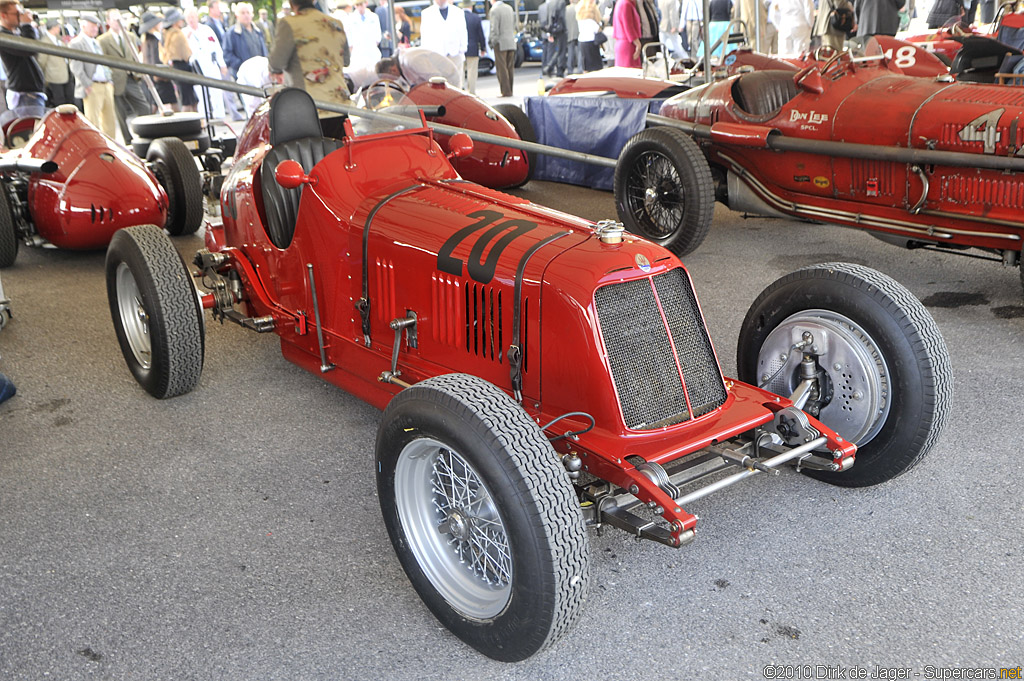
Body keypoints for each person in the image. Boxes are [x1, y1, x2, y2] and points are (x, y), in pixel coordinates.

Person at [269, 0, 351, 106]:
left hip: (309, 106)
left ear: (290, 2)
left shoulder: (289, 24)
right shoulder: (336, 24)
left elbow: (276, 63)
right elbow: (346, 61)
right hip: (339, 103)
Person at [98, 9, 152, 143]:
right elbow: (102, 61)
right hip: (115, 81)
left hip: (131, 77)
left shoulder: (130, 36)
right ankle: (128, 140)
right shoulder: (103, 40)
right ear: (108, 22)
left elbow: (134, 56)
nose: (118, 22)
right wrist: (108, 78)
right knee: (120, 113)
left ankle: (146, 134)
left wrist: (139, 73)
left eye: (119, 19)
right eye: (114, 19)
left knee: (144, 107)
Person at [68, 14, 117, 137]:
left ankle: (112, 148)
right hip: (92, 85)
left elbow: (103, 64)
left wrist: (109, 80)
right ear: (83, 26)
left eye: (96, 26)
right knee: (93, 121)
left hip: (105, 84)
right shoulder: (76, 43)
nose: (95, 29)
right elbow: (76, 67)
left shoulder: (96, 42)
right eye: (92, 26)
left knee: (110, 120)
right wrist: (87, 84)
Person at [0, 0, 45, 116]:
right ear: (3, 15)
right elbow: (30, 48)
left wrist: (27, 27)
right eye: (16, 14)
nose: (20, 17)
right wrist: (26, 25)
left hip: (29, 94)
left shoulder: (16, 34)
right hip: (25, 97)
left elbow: (35, 45)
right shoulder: (3, 37)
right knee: (30, 132)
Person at [184, 6, 227, 120]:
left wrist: (222, 64)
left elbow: (216, 47)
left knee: (217, 90)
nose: (191, 19)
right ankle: (205, 115)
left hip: (211, 64)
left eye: (193, 16)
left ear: (197, 17)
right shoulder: (184, 33)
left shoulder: (207, 29)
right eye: (188, 17)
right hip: (197, 67)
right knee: (201, 92)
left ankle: (219, 115)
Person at [419, 0, 467, 88]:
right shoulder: (427, 13)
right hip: (437, 55)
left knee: (457, 84)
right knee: (439, 84)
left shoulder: (458, 12)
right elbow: (425, 35)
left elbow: (463, 32)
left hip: (455, 54)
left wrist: (462, 49)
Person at [161, 9, 196, 112]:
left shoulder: (166, 34)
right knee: (188, 101)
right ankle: (188, 124)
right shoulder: (178, 34)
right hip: (183, 67)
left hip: (174, 67)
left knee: (188, 99)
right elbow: (186, 54)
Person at [373, 47, 461, 87]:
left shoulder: (412, 60)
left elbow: (435, 78)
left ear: (393, 70)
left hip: (448, 78)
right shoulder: (400, 67)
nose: (392, 81)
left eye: (390, 79)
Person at [224, 2, 268, 78]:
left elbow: (264, 51)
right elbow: (227, 55)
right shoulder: (232, 33)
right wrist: (242, 65)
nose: (246, 15)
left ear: (252, 15)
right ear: (237, 15)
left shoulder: (258, 31)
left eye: (248, 12)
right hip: (242, 76)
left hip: (260, 74)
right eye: (243, 13)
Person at [36, 18, 73, 107]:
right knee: (59, 101)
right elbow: (41, 62)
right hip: (53, 77)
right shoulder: (45, 42)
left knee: (69, 99)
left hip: (66, 74)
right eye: (58, 26)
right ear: (53, 28)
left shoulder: (58, 39)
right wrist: (43, 78)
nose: (59, 28)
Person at [489, 0, 515, 96]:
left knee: (501, 68)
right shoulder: (509, 8)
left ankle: (505, 91)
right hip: (511, 41)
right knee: (510, 67)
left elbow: (494, 28)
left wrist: (492, 41)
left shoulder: (494, 10)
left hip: (500, 42)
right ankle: (510, 89)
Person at [347, 0, 382, 70]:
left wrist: (373, 45)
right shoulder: (350, 18)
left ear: (366, 3)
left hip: (372, 52)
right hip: (358, 53)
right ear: (355, 6)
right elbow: (349, 37)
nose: (360, 8)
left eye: (361, 5)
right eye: (357, 5)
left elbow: (378, 35)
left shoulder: (373, 17)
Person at [463, 0, 486, 93]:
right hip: (473, 48)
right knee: (472, 72)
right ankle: (471, 92)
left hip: (460, 49)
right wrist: (483, 48)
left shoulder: (457, 17)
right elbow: (481, 35)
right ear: (471, 7)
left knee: (460, 72)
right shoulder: (476, 18)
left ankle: (460, 89)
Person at [540, 0, 567, 77]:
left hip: (553, 30)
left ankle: (550, 66)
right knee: (562, 50)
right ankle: (556, 68)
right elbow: (562, 17)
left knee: (556, 50)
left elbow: (548, 18)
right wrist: (565, 28)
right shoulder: (561, 2)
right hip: (561, 30)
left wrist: (549, 31)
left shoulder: (550, 3)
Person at [576, 0, 604, 71]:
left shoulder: (580, 20)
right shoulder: (591, 21)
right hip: (591, 41)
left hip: (582, 41)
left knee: (585, 64)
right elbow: (597, 29)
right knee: (596, 65)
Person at [612, 0, 642, 66]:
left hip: (624, 43)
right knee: (631, 73)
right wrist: (638, 44)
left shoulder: (621, 2)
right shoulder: (626, 4)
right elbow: (628, 26)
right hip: (628, 45)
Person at [565, 0, 580, 74]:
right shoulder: (580, 8)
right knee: (580, 52)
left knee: (570, 52)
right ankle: (580, 68)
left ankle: (570, 69)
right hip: (579, 33)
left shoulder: (566, 9)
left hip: (570, 33)